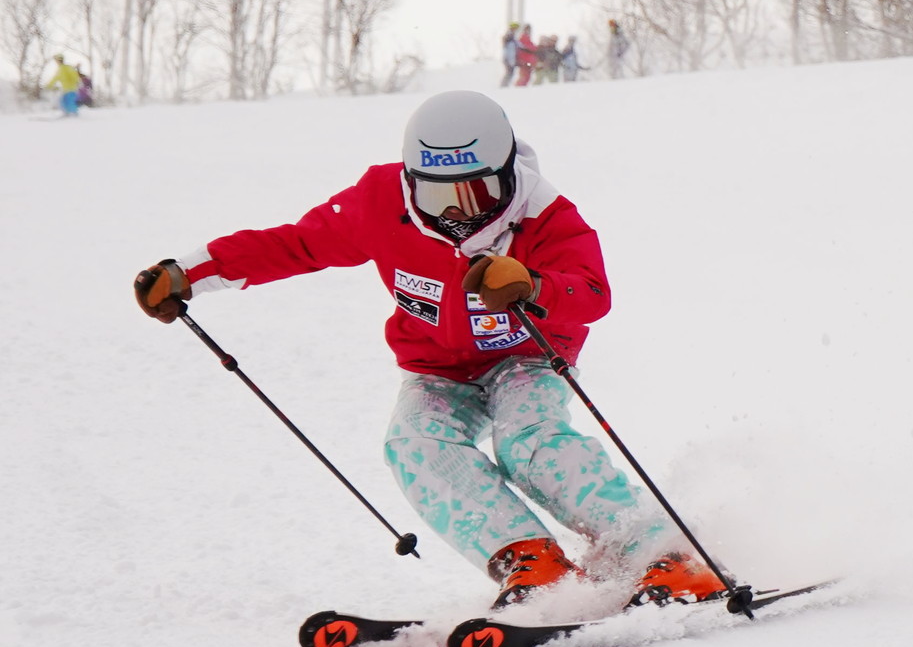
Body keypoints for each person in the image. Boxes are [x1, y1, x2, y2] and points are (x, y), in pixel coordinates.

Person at [133, 90, 726, 611]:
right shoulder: (378, 202)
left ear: (507, 170)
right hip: (436, 366)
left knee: (528, 442)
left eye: (480, 191)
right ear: (412, 180)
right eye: (441, 195)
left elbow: (592, 293)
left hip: (526, 357)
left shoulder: (545, 214)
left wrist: (532, 285)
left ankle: (662, 550)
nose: (460, 212)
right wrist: (190, 274)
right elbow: (296, 245)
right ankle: (530, 561)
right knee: (413, 444)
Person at [499, 22, 519, 88]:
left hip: (509, 59)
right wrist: (511, 61)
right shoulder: (509, 39)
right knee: (509, 72)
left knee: (510, 72)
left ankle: (505, 85)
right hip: (507, 59)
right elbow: (509, 52)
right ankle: (503, 85)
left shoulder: (513, 39)